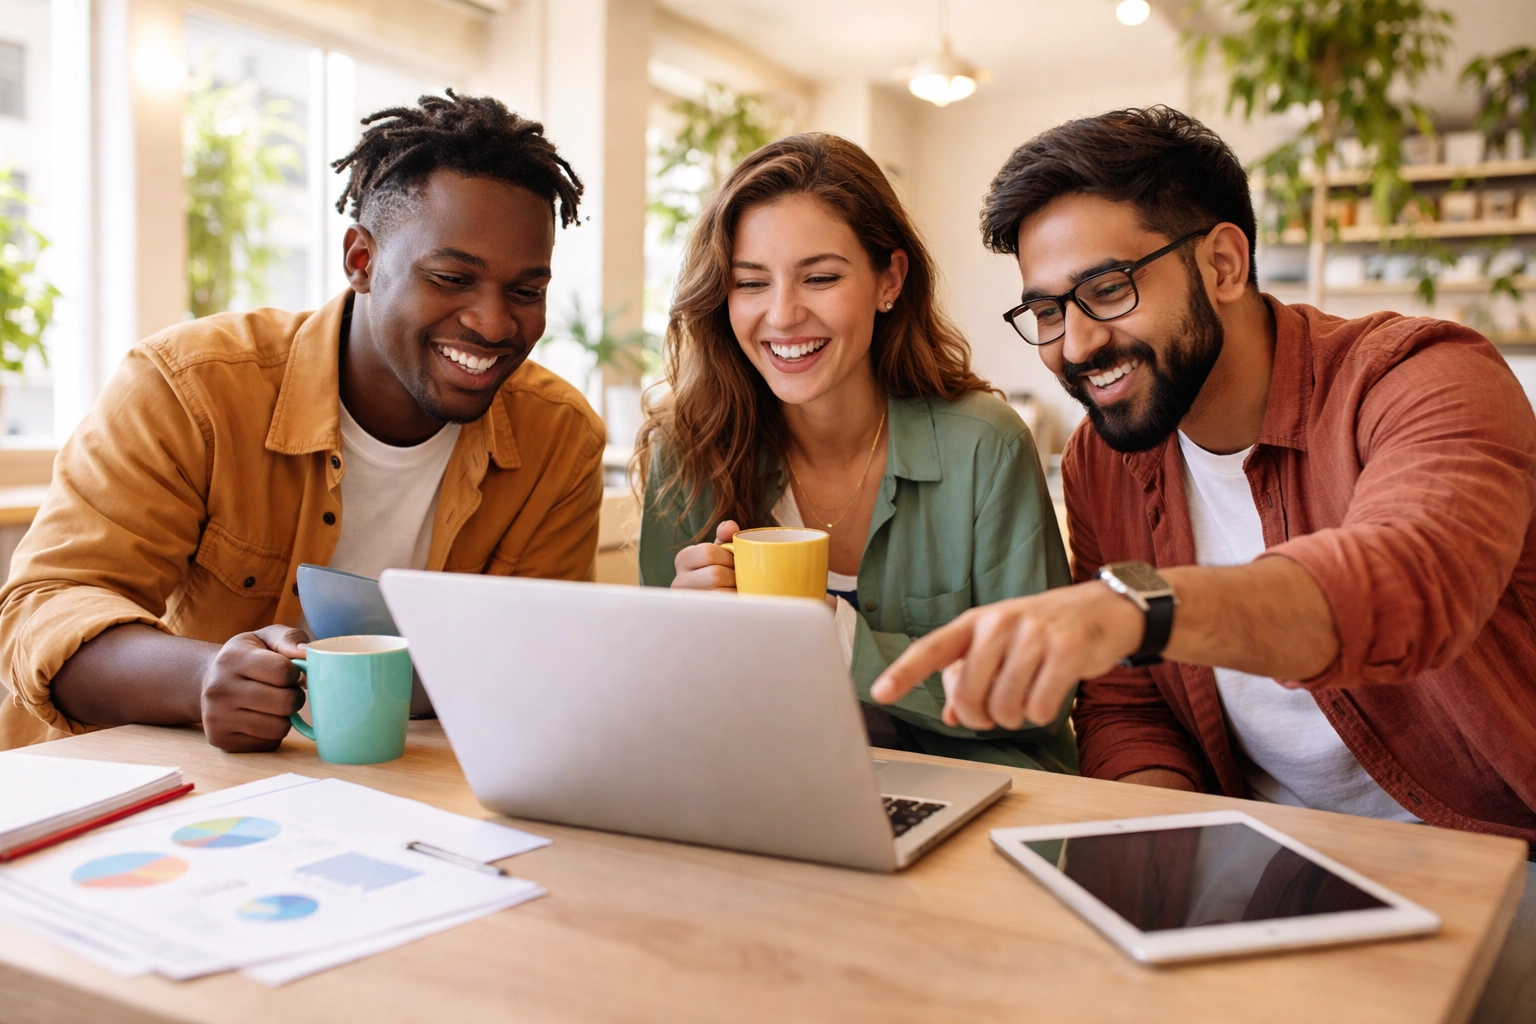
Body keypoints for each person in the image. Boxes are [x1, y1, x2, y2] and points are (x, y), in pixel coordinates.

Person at [871, 106, 1536, 1021]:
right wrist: (1161, 859)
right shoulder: (1104, 461)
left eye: (1106, 290)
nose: (1076, 345)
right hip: (1259, 866)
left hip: (1497, 859)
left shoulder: (1421, 379)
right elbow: (1129, 704)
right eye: (1048, 310)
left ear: (1222, 263)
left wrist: (1138, 610)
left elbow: (1413, 578)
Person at [0, 92, 606, 753]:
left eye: (526, 293)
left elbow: (541, 661)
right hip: (160, 791)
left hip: (410, 790)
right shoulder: (190, 387)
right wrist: (204, 677)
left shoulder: (561, 438)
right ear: (361, 261)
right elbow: (46, 606)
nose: (494, 324)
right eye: (452, 278)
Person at [635, 132, 1074, 772]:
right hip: (765, 794)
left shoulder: (985, 443)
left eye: (820, 277)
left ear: (888, 280)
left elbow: (1039, 695)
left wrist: (835, 636)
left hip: (979, 799)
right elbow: (660, 711)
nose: (782, 315)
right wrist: (684, 639)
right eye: (750, 283)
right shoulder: (690, 448)